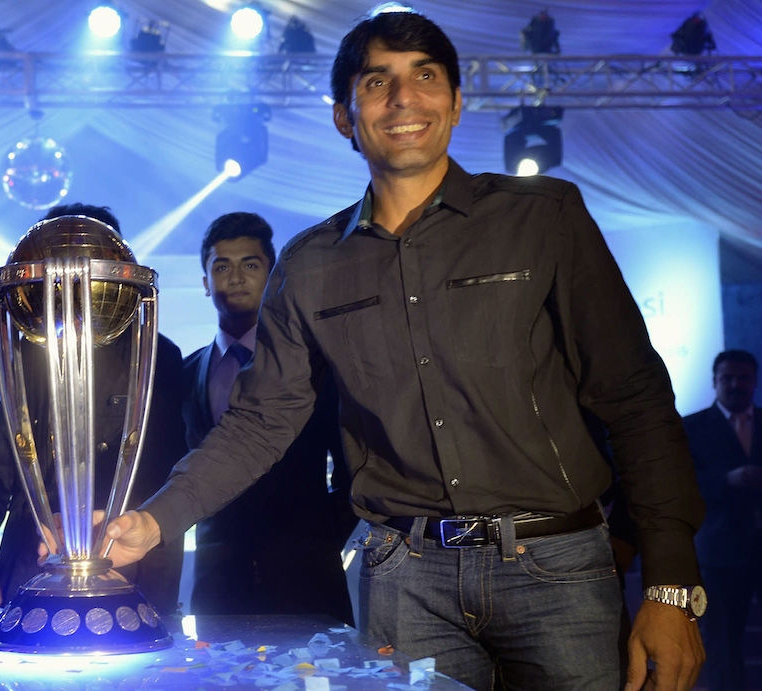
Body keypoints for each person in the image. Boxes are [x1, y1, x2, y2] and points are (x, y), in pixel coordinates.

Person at [87, 9, 706, 691]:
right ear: (344, 117)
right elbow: (260, 423)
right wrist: (155, 519)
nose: (405, 98)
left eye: (426, 76)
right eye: (378, 82)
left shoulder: (543, 218)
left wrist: (671, 584)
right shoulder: (310, 264)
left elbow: (635, 398)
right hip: (404, 578)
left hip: (556, 566)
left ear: (456, 102)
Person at [0, 204, 186, 617]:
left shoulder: (157, 356)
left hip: (126, 555)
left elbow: (164, 472)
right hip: (34, 549)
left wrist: (157, 578)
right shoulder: (27, 353)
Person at [184, 212, 355, 623]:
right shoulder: (185, 372)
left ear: (273, 275)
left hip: (307, 577)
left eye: (250, 265)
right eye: (222, 267)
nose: (235, 278)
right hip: (219, 584)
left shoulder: (317, 367)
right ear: (205, 282)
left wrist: (318, 536)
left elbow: (351, 467)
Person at [683, 349, 760, 691]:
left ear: (755, 381)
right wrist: (726, 480)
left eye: (743, 378)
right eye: (727, 378)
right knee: (720, 640)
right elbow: (680, 482)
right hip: (717, 551)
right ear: (714, 382)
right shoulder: (691, 427)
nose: (735, 384)